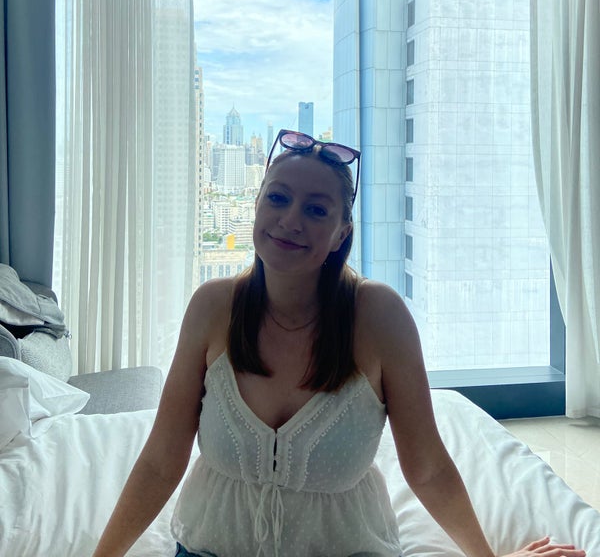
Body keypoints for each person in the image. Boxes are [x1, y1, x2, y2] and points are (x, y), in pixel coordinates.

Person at [92, 129, 586, 557]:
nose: (291, 220)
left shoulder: (379, 316)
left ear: (340, 232)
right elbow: (160, 461)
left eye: (316, 209)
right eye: (278, 198)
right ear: (257, 204)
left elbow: (428, 467)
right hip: (210, 548)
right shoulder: (213, 307)